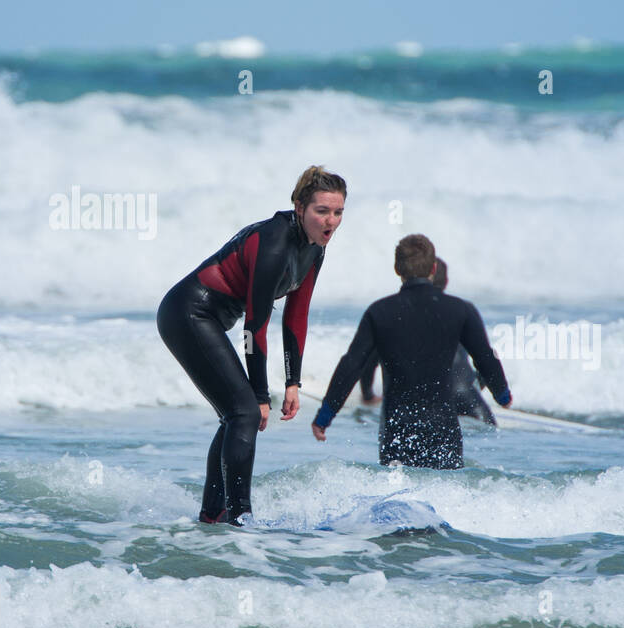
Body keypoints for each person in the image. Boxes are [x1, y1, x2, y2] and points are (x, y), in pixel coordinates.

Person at [157, 166, 346, 524]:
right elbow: (255, 326)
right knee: (244, 411)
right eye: (322, 211)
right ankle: (240, 517)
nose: (331, 221)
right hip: (189, 313)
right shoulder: (274, 242)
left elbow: (296, 317)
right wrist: (261, 394)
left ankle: (214, 514)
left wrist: (293, 382)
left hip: (208, 319)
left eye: (338, 213)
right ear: (299, 206)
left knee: (234, 415)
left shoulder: (314, 250)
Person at [312, 234, 511, 469]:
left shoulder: (379, 311)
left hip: (397, 429)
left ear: (397, 268)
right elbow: (485, 357)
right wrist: (502, 395)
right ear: (433, 268)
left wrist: (326, 415)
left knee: (398, 494)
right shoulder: (460, 310)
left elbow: (353, 364)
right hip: (443, 429)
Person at [358, 257, 497, 425]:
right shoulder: (462, 310)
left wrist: (368, 395)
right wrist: (473, 389)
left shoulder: (395, 313)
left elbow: (369, 360)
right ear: (446, 282)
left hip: (430, 410)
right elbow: (488, 358)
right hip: (473, 406)